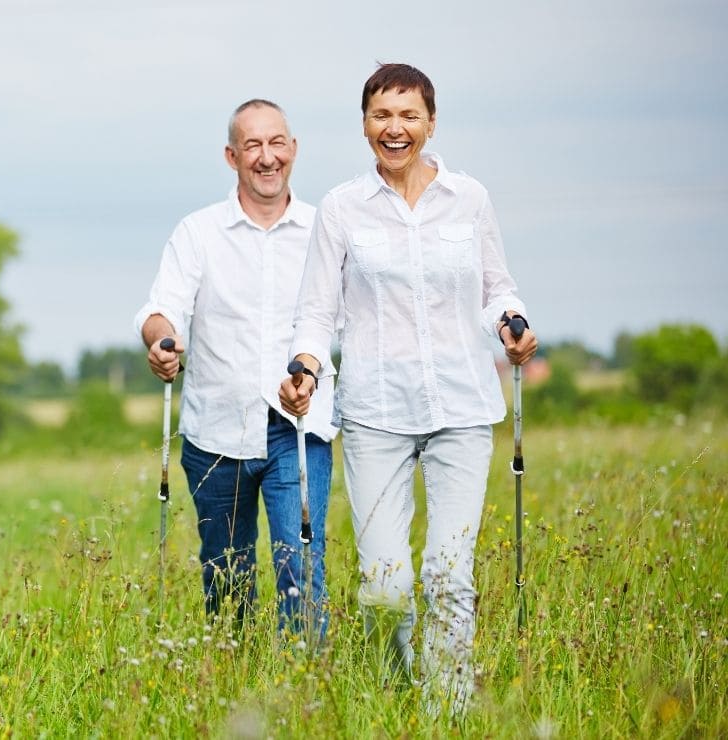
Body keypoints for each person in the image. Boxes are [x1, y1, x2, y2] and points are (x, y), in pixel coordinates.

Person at [278, 63, 538, 711]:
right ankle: (395, 690)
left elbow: (494, 287)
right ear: (364, 124)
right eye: (381, 116)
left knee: (449, 576)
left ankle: (445, 711)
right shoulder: (341, 209)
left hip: (461, 406)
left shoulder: (469, 198)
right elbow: (314, 310)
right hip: (376, 413)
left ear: (430, 122)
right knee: (385, 584)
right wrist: (305, 368)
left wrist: (512, 321)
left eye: (408, 116)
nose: (395, 129)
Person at [135, 99, 337, 635]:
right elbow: (162, 311)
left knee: (300, 564)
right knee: (227, 573)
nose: (266, 157)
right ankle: (233, 681)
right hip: (216, 429)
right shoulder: (197, 232)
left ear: (293, 150)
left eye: (276, 144)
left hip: (298, 426)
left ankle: (304, 688)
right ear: (232, 156)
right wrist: (163, 343)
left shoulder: (325, 229)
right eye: (253, 145)